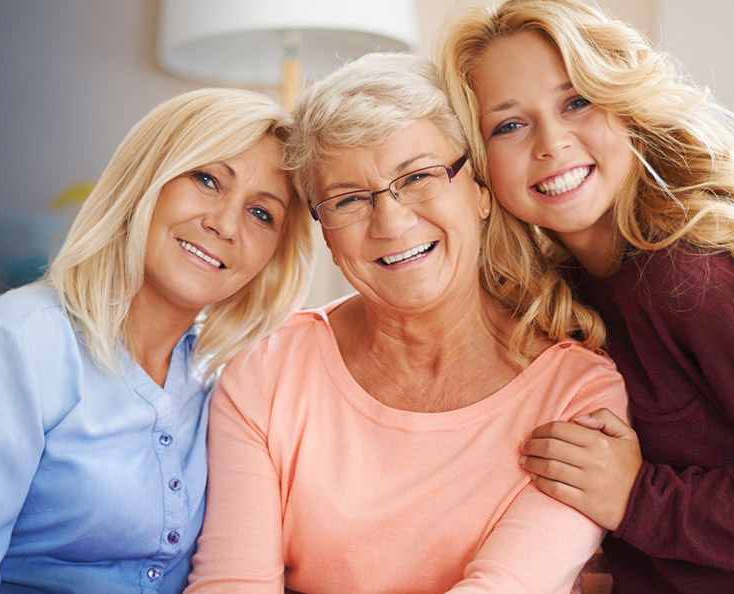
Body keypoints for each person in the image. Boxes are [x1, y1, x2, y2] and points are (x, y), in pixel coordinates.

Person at [185, 53, 628, 594]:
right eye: (347, 200)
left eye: (418, 177)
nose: (392, 222)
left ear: (482, 191)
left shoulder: (579, 394)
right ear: (325, 232)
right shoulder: (265, 373)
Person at [0, 88, 314, 594]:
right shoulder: (22, 339)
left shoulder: (228, 378)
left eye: (262, 214)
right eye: (207, 179)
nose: (225, 223)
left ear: (274, 254)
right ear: (145, 179)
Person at [438, 0, 734, 590]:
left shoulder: (690, 277)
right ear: (480, 168)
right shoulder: (567, 291)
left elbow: (640, 501)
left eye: (577, 101)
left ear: (626, 106)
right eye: (508, 125)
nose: (551, 142)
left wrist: (640, 500)